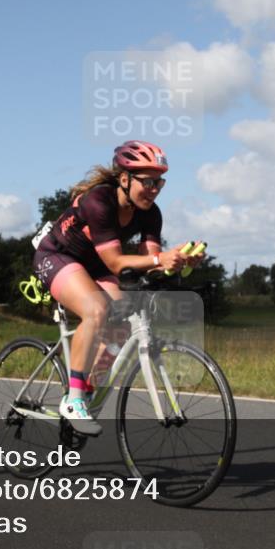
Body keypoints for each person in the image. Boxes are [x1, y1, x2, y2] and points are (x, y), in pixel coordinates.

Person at [32, 140, 203, 435]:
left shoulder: (151, 213)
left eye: (159, 181)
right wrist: (157, 258)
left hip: (94, 264)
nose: (155, 188)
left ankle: (85, 388)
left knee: (123, 321)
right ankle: (73, 401)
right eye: (147, 181)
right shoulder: (99, 201)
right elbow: (115, 262)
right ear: (124, 179)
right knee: (96, 309)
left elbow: (151, 260)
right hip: (58, 256)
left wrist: (177, 261)